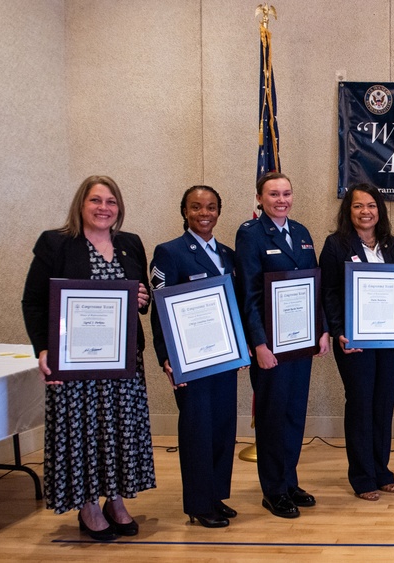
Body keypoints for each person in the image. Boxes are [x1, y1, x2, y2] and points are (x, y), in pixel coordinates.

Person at [21, 175, 155, 541]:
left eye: (111, 201)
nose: (104, 208)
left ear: (119, 208)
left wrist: (143, 300)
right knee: (81, 433)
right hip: (75, 364)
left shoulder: (130, 243)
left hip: (123, 363)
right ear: (81, 204)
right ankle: (88, 507)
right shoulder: (57, 243)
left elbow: (140, 298)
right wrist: (43, 349)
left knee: (118, 432)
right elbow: (33, 302)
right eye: (96, 200)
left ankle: (115, 500)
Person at [235, 171, 330, 518]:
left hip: (301, 343)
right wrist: (258, 344)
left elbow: (314, 286)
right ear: (259, 198)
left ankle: (289, 480)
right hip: (271, 347)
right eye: (273, 194)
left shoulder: (302, 233)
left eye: (286, 193)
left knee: (293, 415)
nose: (281, 200)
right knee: (273, 417)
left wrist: (322, 330)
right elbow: (248, 294)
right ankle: (273, 490)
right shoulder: (250, 235)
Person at [149, 185, 238, 528]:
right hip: (189, 361)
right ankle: (199, 505)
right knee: (197, 430)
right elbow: (159, 309)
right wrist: (165, 356)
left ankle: (215, 495)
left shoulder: (227, 254)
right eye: (196, 207)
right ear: (184, 211)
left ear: (219, 211)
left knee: (222, 427)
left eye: (211, 207)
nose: (204, 213)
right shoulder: (169, 252)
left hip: (223, 358)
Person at [320, 183, 394, 502]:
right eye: (358, 206)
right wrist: (338, 330)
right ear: (349, 211)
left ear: (379, 210)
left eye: (371, 205)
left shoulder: (392, 245)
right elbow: (328, 293)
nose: (365, 211)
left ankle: (382, 470)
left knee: (383, 404)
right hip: (354, 340)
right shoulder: (335, 245)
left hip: (389, 342)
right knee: (360, 403)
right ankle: (362, 476)